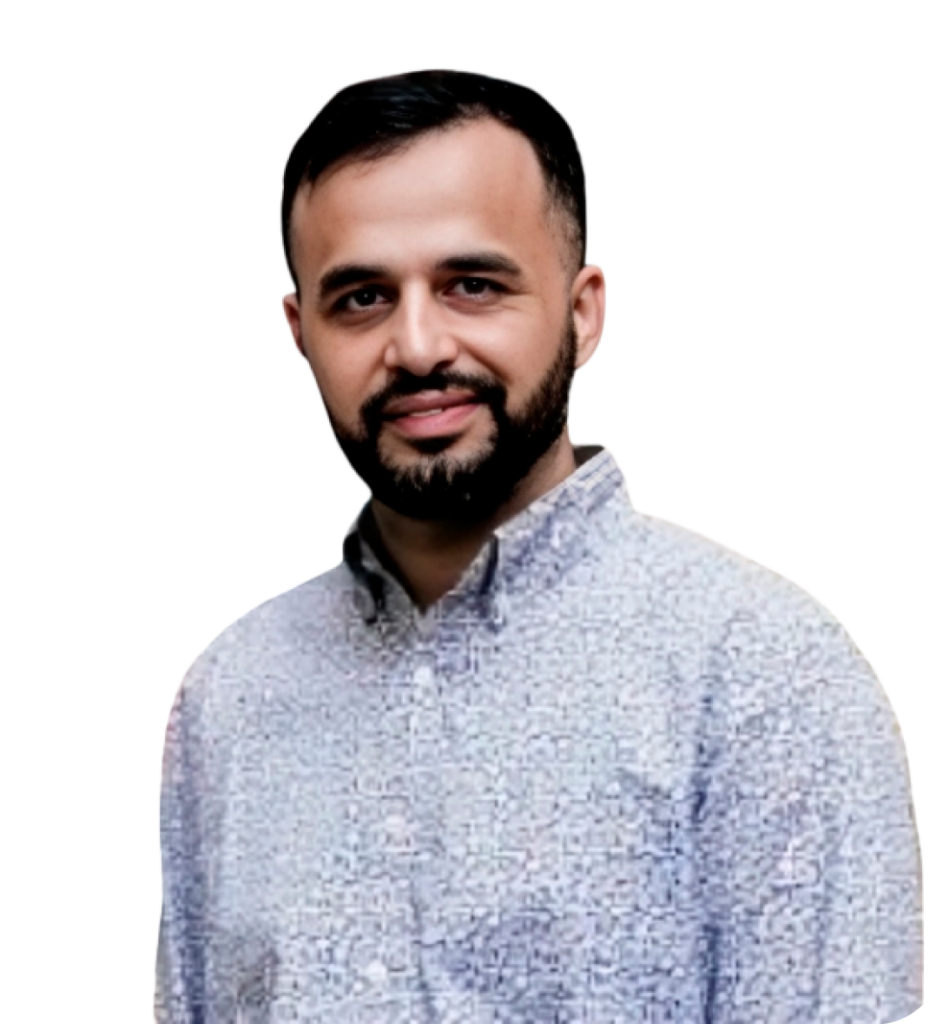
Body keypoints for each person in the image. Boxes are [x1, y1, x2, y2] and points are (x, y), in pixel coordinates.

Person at [153, 70, 924, 1022]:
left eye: (472, 286)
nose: (417, 346)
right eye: (360, 297)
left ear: (583, 309)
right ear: (298, 330)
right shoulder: (228, 694)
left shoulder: (762, 673)